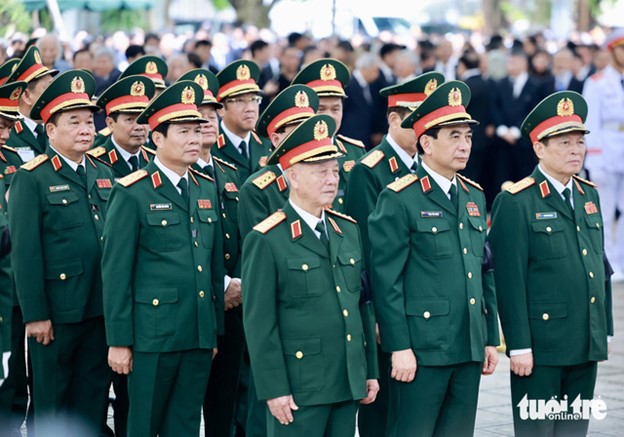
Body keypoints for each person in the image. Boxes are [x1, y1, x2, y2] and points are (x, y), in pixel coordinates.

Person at [369, 81, 499, 437]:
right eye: (454, 136)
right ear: (426, 143)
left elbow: (484, 268)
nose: (464, 145)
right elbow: (386, 281)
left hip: (467, 345)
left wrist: (489, 337)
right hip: (423, 349)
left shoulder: (473, 195)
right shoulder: (399, 199)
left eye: (468, 137)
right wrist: (399, 347)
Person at [243, 114, 379, 437]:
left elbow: (362, 304)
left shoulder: (347, 230)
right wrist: (273, 388)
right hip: (300, 387)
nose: (332, 180)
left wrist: (369, 370)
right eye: (320, 172)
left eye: (334, 171)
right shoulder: (267, 239)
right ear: (293, 176)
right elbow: (260, 323)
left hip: (346, 382)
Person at [102, 80, 224, 437]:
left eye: (197, 130)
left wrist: (213, 329)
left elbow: (212, 266)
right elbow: (116, 272)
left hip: (197, 333)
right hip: (152, 336)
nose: (194, 139)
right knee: (143, 424)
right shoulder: (133, 192)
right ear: (157, 138)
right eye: (183, 131)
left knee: (185, 426)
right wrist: (119, 340)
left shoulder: (204, 186)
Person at [488, 90, 613, 437]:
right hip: (541, 346)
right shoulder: (517, 201)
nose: (576, 150)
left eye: (579, 142)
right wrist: (519, 346)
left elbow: (597, 264)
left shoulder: (589, 195)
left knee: (574, 430)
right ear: (539, 149)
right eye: (564, 143)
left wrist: (601, 330)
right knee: (538, 431)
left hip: (584, 339)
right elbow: (508, 279)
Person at [8, 69, 114, 435]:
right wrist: (36, 315)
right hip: (57, 313)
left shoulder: (102, 171)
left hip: (100, 309)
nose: (87, 129)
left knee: (93, 401)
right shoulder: (32, 177)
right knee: (53, 402)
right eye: (75, 121)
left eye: (89, 121)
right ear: (51, 130)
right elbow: (25, 254)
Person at [344, 71, 443, 437]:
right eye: (415, 118)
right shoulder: (369, 171)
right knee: (383, 411)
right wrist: (379, 315)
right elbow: (368, 254)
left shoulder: (430, 167)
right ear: (393, 119)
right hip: (389, 307)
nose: (423, 127)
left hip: (426, 306)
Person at [238, 84, 319, 437]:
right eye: (293, 130)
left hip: (323, 311)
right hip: (286, 307)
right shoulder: (260, 188)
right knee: (268, 412)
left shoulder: (326, 177)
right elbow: (262, 259)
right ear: (276, 139)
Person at [175, 68, 243, 437]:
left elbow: (243, 235)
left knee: (226, 402)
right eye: (197, 119)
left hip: (234, 303)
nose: (207, 124)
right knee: (184, 406)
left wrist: (239, 283)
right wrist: (222, 283)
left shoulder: (229, 172)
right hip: (196, 302)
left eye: (212, 116)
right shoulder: (177, 176)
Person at [239, 84, 319, 238]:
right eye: (297, 131)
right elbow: (259, 250)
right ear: (276, 140)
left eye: (308, 129)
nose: (305, 137)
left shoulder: (321, 177)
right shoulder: (256, 190)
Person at [292, 58, 367, 210]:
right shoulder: (291, 154)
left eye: (335, 109)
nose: (329, 116)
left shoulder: (355, 152)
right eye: (321, 109)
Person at [582, 29, 624, 280]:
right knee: (605, 212)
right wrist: (593, 159)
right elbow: (591, 123)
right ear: (611, 51)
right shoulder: (597, 82)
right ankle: (611, 262)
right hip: (606, 150)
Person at [0, 79, 27, 435]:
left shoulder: (12, 162)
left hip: (13, 287)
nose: (5, 132)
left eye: (8, 124)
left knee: (13, 380)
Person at [213, 60, 273, 182]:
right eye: (240, 101)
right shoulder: (210, 146)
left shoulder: (267, 142)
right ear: (221, 109)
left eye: (253, 99)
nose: (250, 108)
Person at [89, 76, 156, 179]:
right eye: (130, 120)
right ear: (111, 124)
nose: (139, 127)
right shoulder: (93, 163)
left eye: (142, 119)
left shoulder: (155, 160)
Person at [5, 46, 58, 161]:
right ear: (27, 96)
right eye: (47, 90)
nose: (54, 96)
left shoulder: (58, 130)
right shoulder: (7, 133)